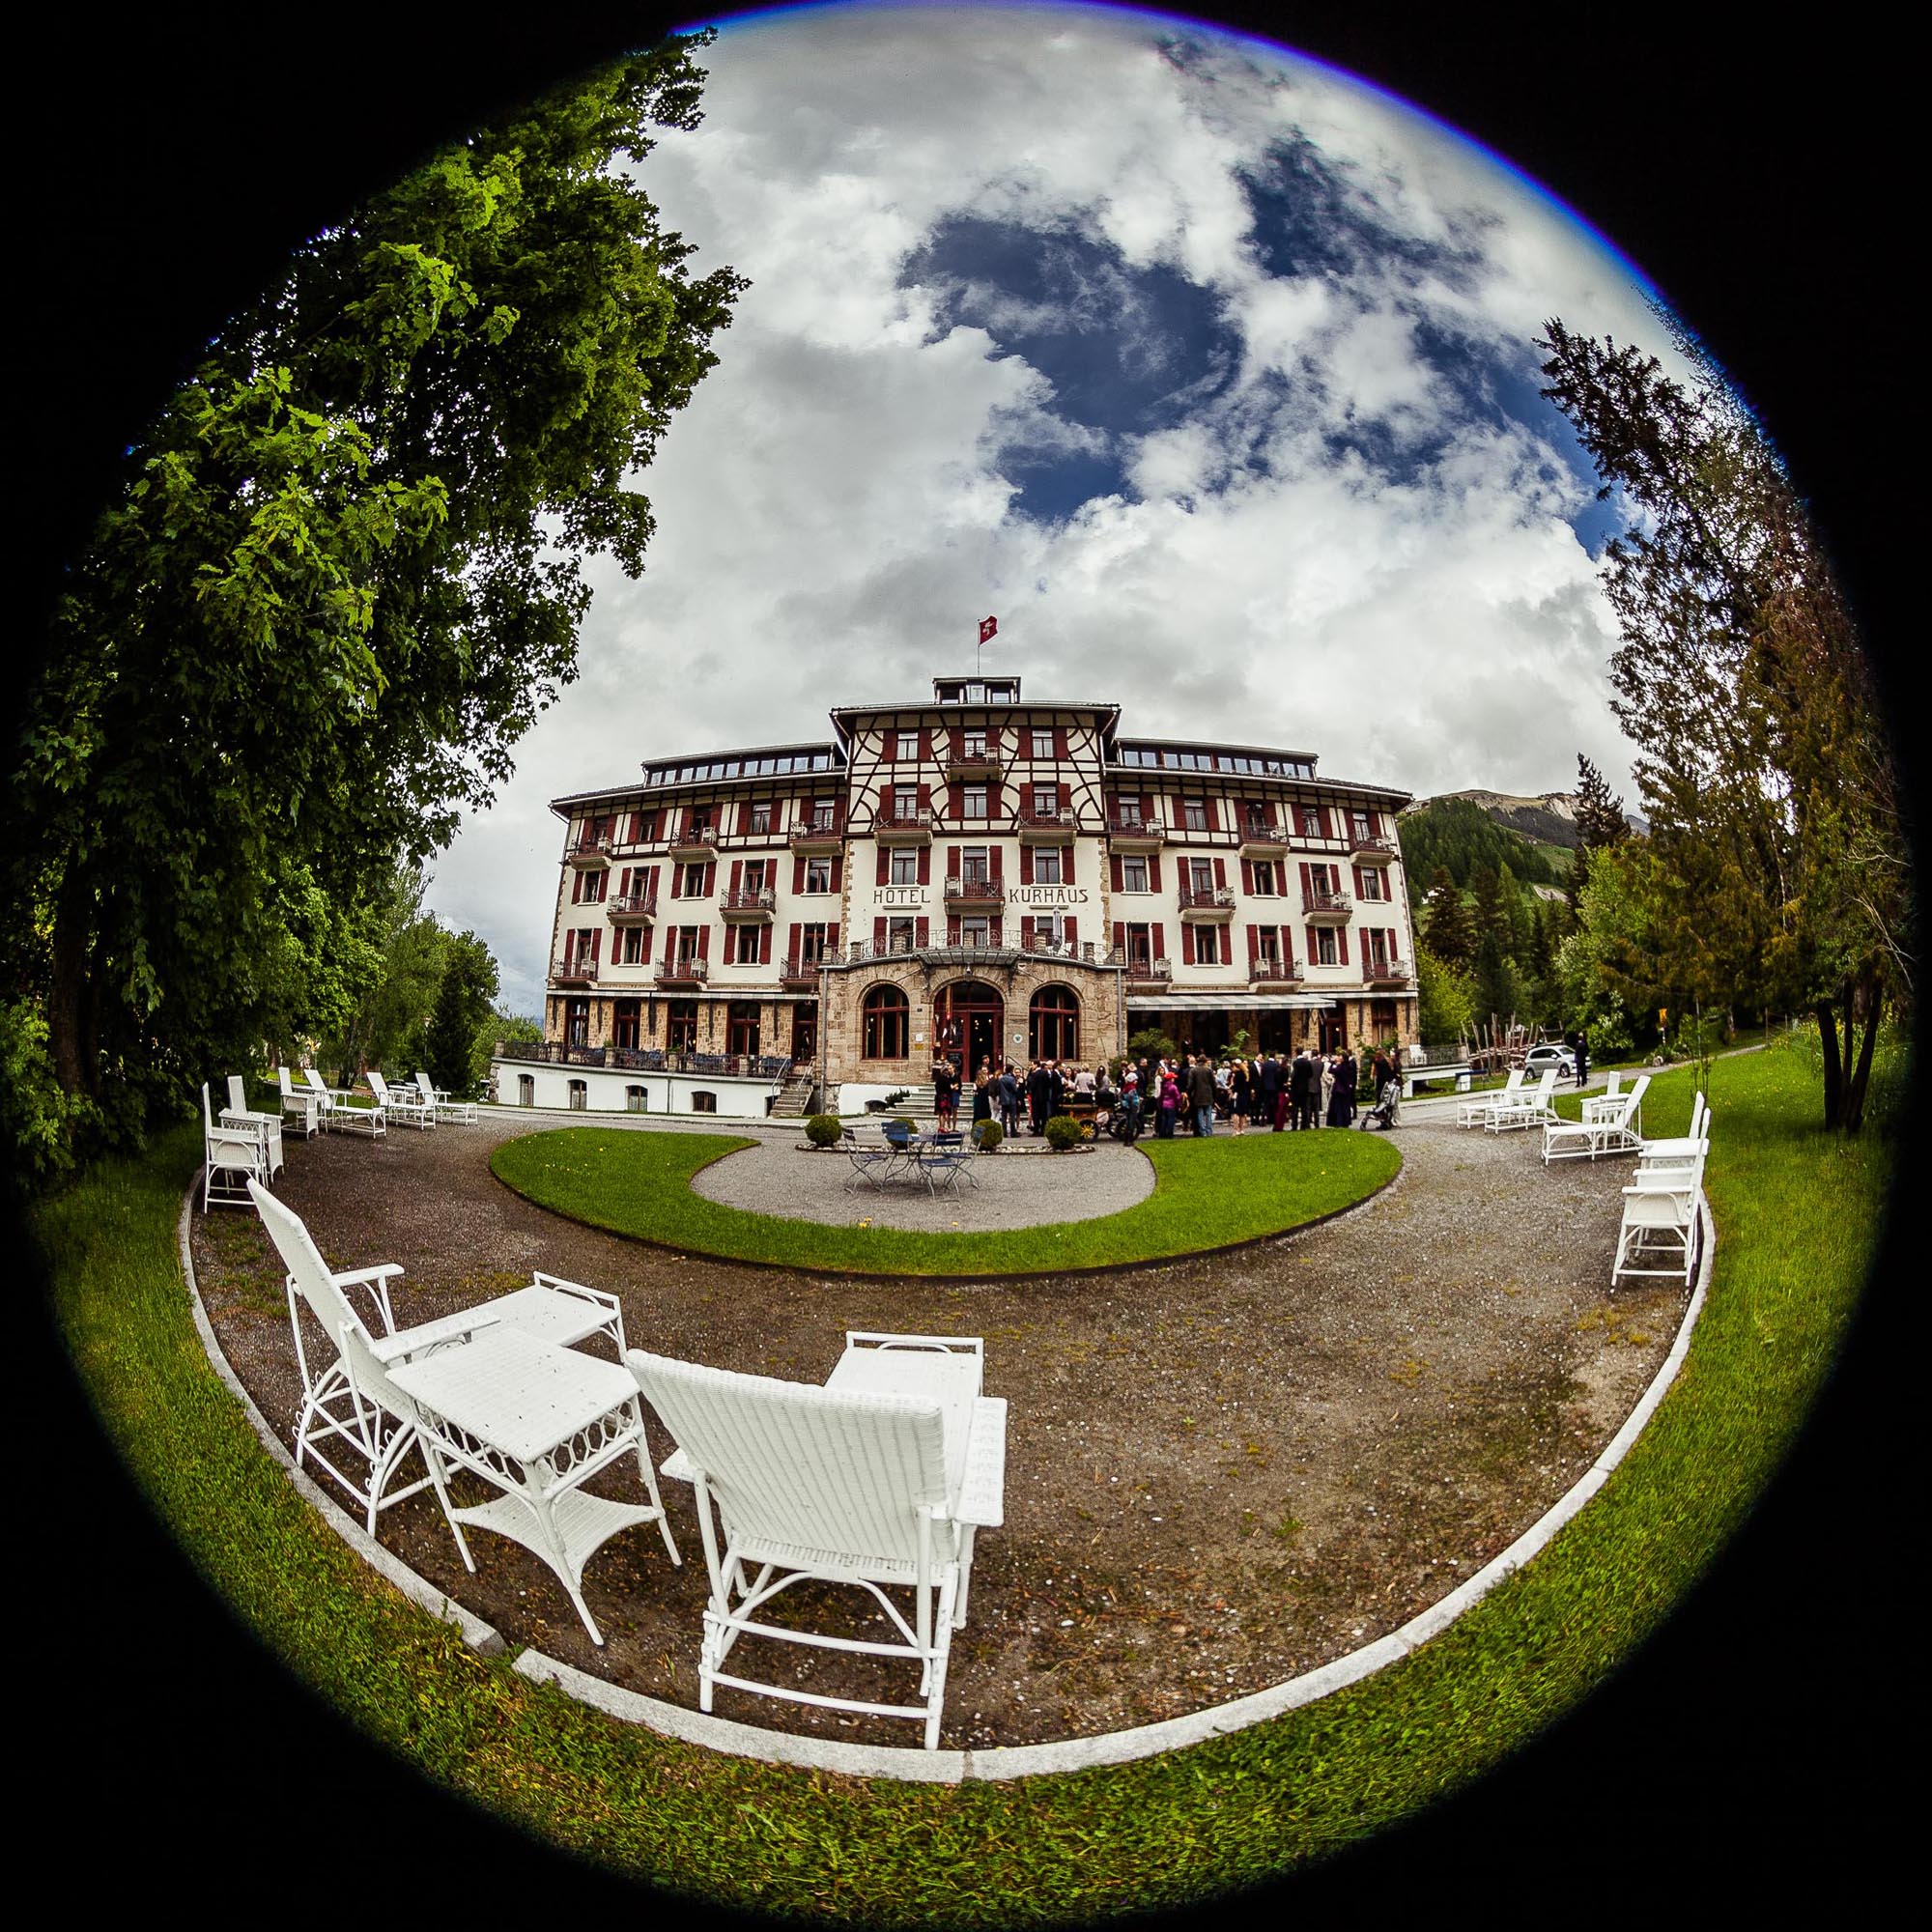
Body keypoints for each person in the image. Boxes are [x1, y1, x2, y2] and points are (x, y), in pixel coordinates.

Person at [1187, 1053, 1217, 1137]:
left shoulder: (1193, 1071)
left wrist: (1188, 1093)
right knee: (1208, 1114)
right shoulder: (1209, 1070)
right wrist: (1215, 1094)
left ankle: (1202, 1131)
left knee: (1200, 1114)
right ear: (1205, 1061)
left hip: (1198, 1094)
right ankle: (1209, 1131)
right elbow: (1213, 1084)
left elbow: (1190, 1084)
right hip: (1208, 1094)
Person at [1290, 1045, 1318, 1130]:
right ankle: (1304, 1125)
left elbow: (1293, 1075)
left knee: (1295, 1107)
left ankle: (1294, 1125)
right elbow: (1310, 1074)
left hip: (1296, 1088)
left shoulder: (1295, 1063)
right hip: (1305, 1087)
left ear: (1296, 1052)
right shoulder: (1307, 1062)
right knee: (1304, 1107)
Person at [1326, 1048, 1354, 1127]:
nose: (1338, 1057)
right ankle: (1346, 1121)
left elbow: (1331, 1070)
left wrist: (1333, 1063)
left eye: (1340, 1056)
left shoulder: (1340, 1067)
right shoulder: (1349, 1066)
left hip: (1339, 1089)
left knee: (1338, 1107)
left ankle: (1339, 1122)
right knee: (1345, 1106)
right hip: (1346, 1089)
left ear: (1342, 1058)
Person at [1259, 1050, 1284, 1130]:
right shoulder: (1276, 1065)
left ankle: (1263, 1120)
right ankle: (1274, 1120)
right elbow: (1278, 1077)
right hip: (1274, 1087)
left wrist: (1262, 1086)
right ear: (1274, 1056)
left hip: (1266, 1087)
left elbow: (1262, 1077)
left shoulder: (1264, 1065)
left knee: (1265, 1104)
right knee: (1275, 1105)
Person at [997, 1062, 1022, 1138]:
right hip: (1011, 1100)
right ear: (1011, 1070)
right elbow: (1015, 1090)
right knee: (1012, 1116)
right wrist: (1017, 1086)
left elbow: (999, 1089)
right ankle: (1013, 1132)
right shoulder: (1012, 1079)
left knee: (1004, 1117)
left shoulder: (1001, 1079)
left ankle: (1004, 1132)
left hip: (1003, 1099)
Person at [1026, 1058, 1050, 1135]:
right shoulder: (1045, 1073)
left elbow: (1032, 1086)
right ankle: (1043, 1130)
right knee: (1044, 1114)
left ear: (1036, 1065)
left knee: (1036, 1114)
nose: (1032, 1066)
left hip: (1036, 1097)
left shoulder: (1034, 1074)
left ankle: (1036, 1130)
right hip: (1044, 1097)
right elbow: (1048, 1084)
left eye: (1032, 1065)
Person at [1229, 1056, 1250, 1134]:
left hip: (1237, 1095)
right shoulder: (1245, 1074)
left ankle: (1236, 1130)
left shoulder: (1236, 1075)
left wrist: (1231, 1087)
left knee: (1235, 1112)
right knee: (1242, 1113)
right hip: (1244, 1094)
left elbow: (1235, 1086)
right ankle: (1242, 1129)